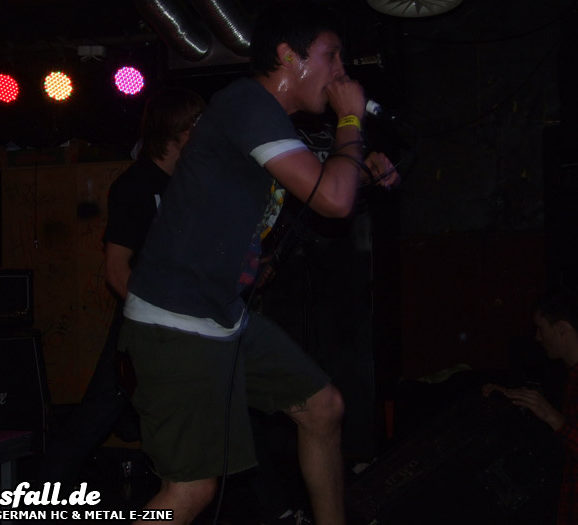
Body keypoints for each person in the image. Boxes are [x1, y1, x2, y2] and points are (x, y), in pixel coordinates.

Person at [118, 2, 399, 524]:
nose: (342, 72)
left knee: (322, 407)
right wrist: (351, 120)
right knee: (190, 491)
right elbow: (332, 200)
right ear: (289, 55)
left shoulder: (269, 123)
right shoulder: (247, 103)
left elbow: (324, 183)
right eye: (332, 56)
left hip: (222, 316)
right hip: (176, 321)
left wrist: (359, 170)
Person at [36, 87, 206, 492]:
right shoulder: (135, 186)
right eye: (199, 124)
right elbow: (116, 271)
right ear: (178, 131)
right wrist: (161, 318)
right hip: (145, 324)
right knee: (100, 411)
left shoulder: (192, 183)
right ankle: (36, 498)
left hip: (186, 322)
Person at [483, 288, 578, 525]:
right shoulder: (567, 375)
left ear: (562, 328)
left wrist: (553, 417)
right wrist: (512, 398)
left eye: (540, 328)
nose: (537, 337)